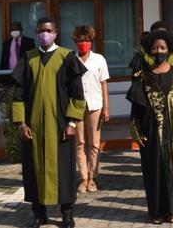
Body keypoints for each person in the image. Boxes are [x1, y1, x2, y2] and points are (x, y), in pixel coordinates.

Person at [11, 17, 86, 228]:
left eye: (48, 30)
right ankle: (39, 214)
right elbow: (18, 94)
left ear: (56, 33)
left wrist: (72, 123)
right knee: (34, 170)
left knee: (64, 170)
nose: (44, 34)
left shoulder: (67, 57)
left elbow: (77, 94)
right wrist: (21, 123)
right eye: (40, 31)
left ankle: (67, 214)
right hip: (33, 126)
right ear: (36, 33)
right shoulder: (28, 58)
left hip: (60, 126)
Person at [127, 30, 173, 224]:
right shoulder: (142, 76)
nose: (159, 51)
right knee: (154, 171)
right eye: (155, 48)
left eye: (163, 47)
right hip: (151, 132)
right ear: (149, 50)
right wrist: (137, 132)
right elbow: (135, 110)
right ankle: (156, 212)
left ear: (169, 49)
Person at [72, 25, 110, 193]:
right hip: (76, 106)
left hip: (95, 104)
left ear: (91, 42)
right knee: (80, 142)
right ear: (75, 42)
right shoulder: (70, 59)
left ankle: (93, 177)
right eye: (80, 41)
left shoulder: (99, 59)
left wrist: (106, 108)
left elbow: (104, 84)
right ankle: (83, 178)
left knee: (94, 143)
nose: (83, 43)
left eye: (87, 40)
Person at [0, 21, 36, 85]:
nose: (14, 31)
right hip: (9, 75)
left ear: (21, 30)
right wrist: (1, 78)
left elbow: (34, 60)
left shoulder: (29, 42)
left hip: (24, 76)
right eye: (12, 30)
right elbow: (3, 61)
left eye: (16, 29)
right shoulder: (6, 44)